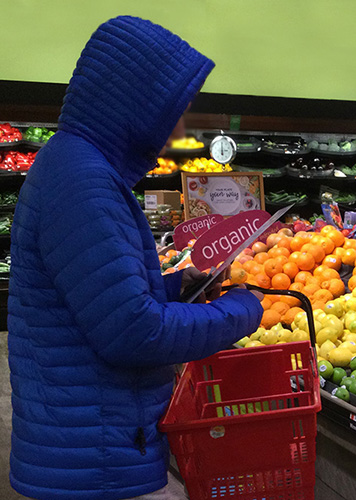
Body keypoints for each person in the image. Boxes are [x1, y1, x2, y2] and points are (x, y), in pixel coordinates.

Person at [8, 16, 263, 500]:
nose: (179, 128)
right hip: (97, 458)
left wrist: (178, 287)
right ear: (135, 106)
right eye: (173, 112)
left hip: (84, 441)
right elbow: (133, 333)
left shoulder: (76, 167)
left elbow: (95, 300)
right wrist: (240, 311)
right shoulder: (83, 184)